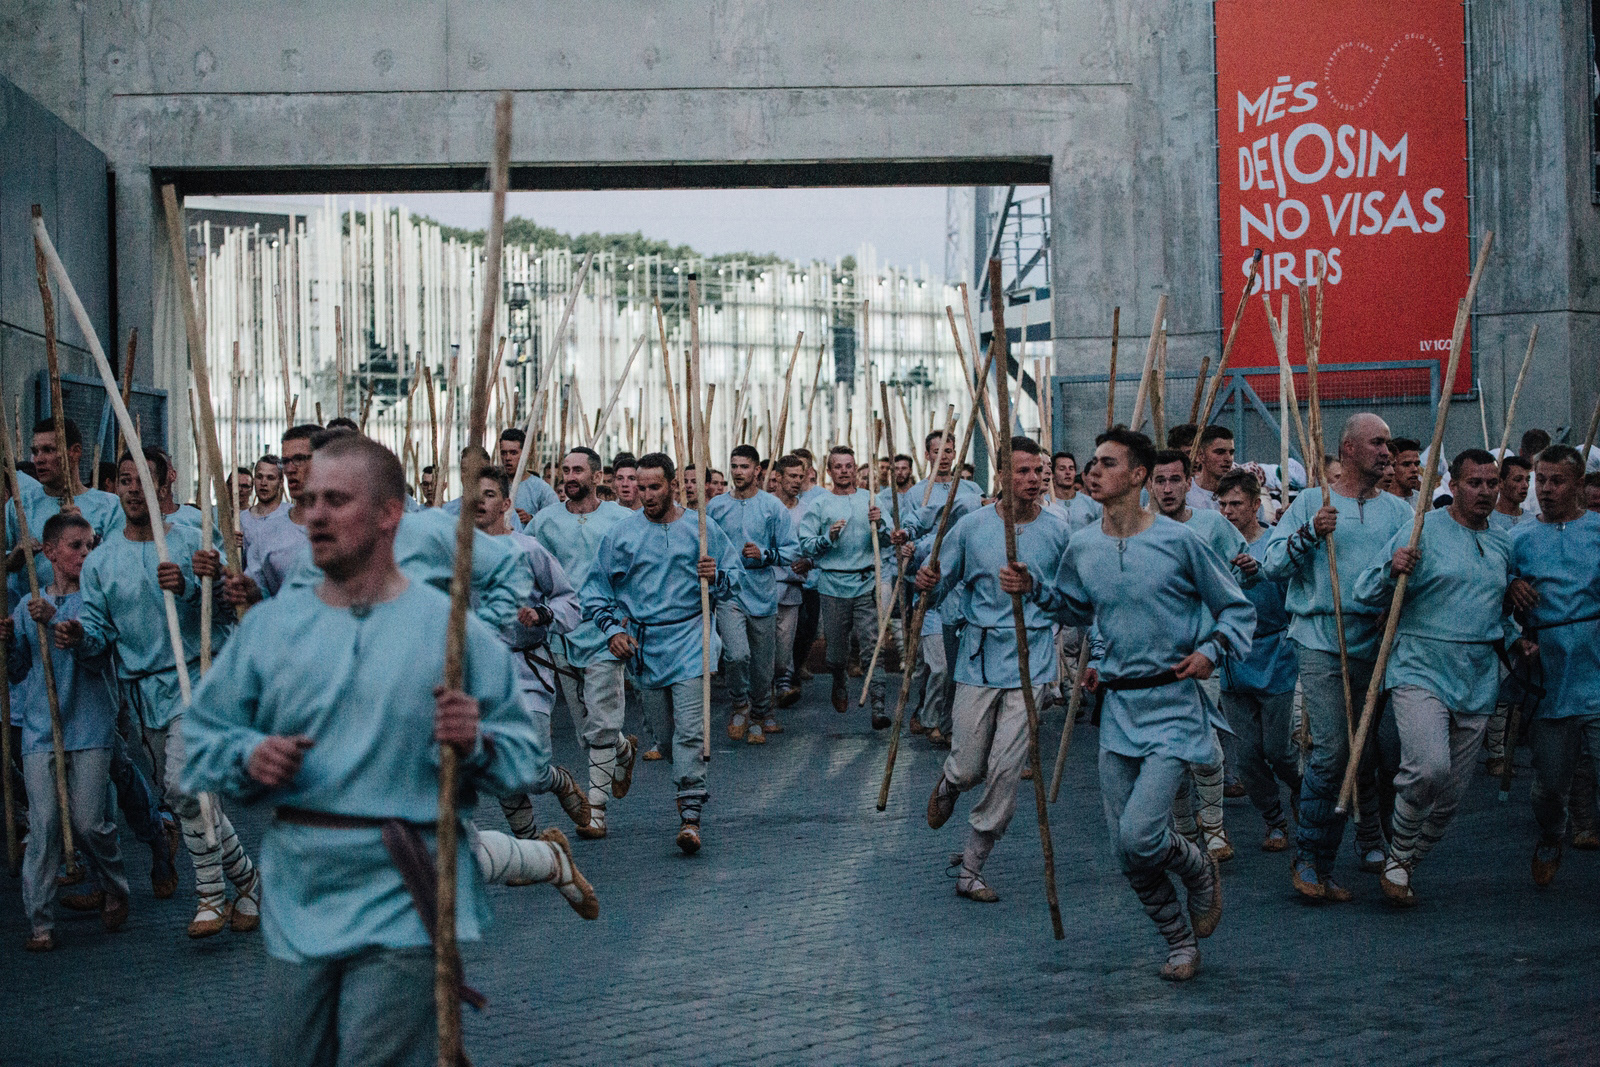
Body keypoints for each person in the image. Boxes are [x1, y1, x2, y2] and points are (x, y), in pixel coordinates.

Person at [183, 434, 590, 1067]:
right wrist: (248, 756)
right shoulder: (273, 627)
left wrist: (476, 735)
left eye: (336, 500)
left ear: (388, 512)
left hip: (403, 890)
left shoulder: (455, 634)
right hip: (300, 893)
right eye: (310, 499)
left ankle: (545, 859)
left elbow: (520, 757)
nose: (315, 514)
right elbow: (202, 740)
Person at [1019, 427, 1249, 981]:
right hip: (1117, 711)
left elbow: (1236, 608)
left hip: (1173, 704)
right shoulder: (1082, 546)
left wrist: (1212, 651)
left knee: (1140, 836)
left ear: (1138, 475)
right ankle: (1179, 943)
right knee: (1126, 851)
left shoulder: (1180, 541)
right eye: (1092, 463)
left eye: (1107, 463)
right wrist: (1031, 588)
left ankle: (1197, 868)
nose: (1092, 471)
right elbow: (1075, 608)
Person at [60, 448, 259, 938]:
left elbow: (228, 609)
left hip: (197, 679)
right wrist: (80, 638)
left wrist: (192, 585)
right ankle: (249, 882)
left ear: (163, 484)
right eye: (125, 480)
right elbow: (99, 634)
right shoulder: (101, 562)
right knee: (188, 795)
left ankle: (209, 896)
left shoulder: (192, 539)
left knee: (183, 786)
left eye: (142, 480)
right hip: (145, 693)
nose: (132, 489)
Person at [1350, 449, 1523, 905]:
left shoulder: (1504, 543)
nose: (1484, 491)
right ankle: (1397, 856)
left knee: (1449, 797)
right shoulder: (1420, 529)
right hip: (1420, 666)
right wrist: (1392, 569)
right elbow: (1363, 590)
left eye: (1491, 483)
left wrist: (1518, 634)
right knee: (1429, 767)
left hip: (1478, 675)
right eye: (1474, 483)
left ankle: (1404, 863)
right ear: (1452, 484)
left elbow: (1497, 609)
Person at [1263, 413, 1414, 901]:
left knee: (1380, 753)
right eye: (1377, 443)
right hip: (1321, 639)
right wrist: (1310, 532)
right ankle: (1311, 858)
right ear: (1348, 449)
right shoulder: (1313, 501)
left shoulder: (1401, 512)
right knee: (1333, 753)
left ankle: (1376, 841)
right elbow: (1271, 565)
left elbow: (1417, 578)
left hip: (1380, 642)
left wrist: (1398, 597)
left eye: (1388, 443)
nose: (1387, 452)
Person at [918, 437, 1070, 902]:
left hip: (1032, 660)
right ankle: (951, 781)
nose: (1033, 479)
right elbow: (939, 589)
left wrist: (1035, 588)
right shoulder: (972, 526)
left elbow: (1073, 601)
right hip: (978, 659)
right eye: (1022, 471)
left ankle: (971, 866)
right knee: (969, 767)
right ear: (1001, 475)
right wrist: (926, 581)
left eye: (1038, 471)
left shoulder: (1057, 530)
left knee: (1006, 770)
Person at [582, 453, 740, 854]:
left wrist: (716, 576)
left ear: (673, 485)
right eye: (642, 487)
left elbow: (734, 580)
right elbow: (595, 591)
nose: (647, 494)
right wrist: (613, 630)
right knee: (667, 741)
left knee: (691, 733)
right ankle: (680, 775)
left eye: (655, 487)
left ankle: (690, 816)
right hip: (645, 646)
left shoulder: (701, 528)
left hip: (692, 639)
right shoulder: (622, 535)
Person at [5, 513, 131, 950]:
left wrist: (61, 623)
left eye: (90, 545)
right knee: (43, 826)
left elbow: (96, 654)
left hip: (92, 723)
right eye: (76, 546)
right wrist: (8, 642)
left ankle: (115, 885)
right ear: (50, 552)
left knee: (89, 823)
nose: (85, 554)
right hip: (41, 729)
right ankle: (40, 922)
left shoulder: (99, 601)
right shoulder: (28, 606)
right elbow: (17, 671)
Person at [472, 466, 593, 844]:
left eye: (489, 494)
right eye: (474, 493)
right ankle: (530, 845)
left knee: (533, 770)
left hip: (527, 668)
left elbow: (568, 601)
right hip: (481, 674)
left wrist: (542, 614)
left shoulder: (529, 550)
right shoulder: (455, 554)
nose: (480, 501)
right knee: (496, 768)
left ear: (506, 503)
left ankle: (558, 781)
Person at [1149, 449, 1252, 859]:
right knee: (1167, 753)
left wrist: (1247, 572)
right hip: (1152, 660)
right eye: (1160, 480)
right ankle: (1184, 827)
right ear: (1148, 484)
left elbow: (1242, 568)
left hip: (1201, 657)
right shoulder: (1139, 530)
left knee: (1206, 748)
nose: (1168, 488)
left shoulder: (1211, 525)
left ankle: (1214, 827)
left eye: (1175, 480)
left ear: (1189, 483)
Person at [530, 448, 638, 839]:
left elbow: (638, 571)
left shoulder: (622, 520)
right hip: (562, 635)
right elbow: (525, 567)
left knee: (602, 721)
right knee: (587, 728)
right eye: (566, 470)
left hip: (606, 632)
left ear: (596, 476)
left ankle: (597, 812)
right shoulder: (544, 522)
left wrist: (628, 617)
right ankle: (622, 750)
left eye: (578, 470)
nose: (570, 476)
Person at [1505, 445, 1600, 886]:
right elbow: (1494, 597)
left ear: (1578, 484)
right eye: (1540, 480)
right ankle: (1551, 833)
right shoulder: (1518, 538)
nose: (1545, 489)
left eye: (1557, 481)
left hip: (1596, 671)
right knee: (1548, 786)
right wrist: (1511, 588)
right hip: (1548, 679)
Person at [1216, 470, 1301, 852]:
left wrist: (1260, 572)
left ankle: (1302, 789)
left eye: (1236, 503)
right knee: (1248, 757)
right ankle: (1274, 819)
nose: (1228, 511)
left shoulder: (1276, 542)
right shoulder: (1214, 546)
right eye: (1222, 504)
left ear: (1255, 504)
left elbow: (1292, 591)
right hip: (1233, 656)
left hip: (1276, 653)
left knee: (1279, 750)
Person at [706, 445, 800, 744]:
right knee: (736, 655)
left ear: (757, 470)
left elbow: (792, 550)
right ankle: (739, 704)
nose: (738, 472)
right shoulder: (716, 507)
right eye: (734, 466)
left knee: (762, 666)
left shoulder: (772, 507)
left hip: (762, 591)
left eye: (744, 466)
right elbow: (703, 545)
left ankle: (760, 714)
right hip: (728, 591)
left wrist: (765, 554)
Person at [798, 446, 893, 724]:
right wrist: (827, 537)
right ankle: (839, 678)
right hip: (833, 585)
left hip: (866, 582)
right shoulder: (820, 505)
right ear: (829, 471)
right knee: (836, 655)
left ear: (855, 469)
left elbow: (888, 540)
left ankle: (878, 704)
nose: (844, 471)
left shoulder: (871, 500)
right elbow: (806, 545)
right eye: (838, 466)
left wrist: (880, 525)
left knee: (873, 646)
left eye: (848, 466)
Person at [7, 417, 124, 600]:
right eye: (35, 452)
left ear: (75, 452)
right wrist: (13, 559)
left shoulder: (109, 507)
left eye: (48, 450)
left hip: (88, 613)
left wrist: (87, 535)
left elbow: (121, 568)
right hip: (32, 614)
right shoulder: (20, 506)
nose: (39, 459)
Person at [240, 426, 318, 599]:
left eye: (299, 459)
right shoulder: (267, 534)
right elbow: (257, 595)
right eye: (286, 461)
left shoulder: (353, 528)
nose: (290, 469)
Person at [771, 454, 813, 708]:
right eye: (792, 476)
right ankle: (766, 692)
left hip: (792, 586)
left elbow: (813, 546)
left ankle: (783, 681)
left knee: (785, 644)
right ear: (778, 477)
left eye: (800, 476)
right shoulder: (765, 506)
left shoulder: (806, 511)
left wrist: (809, 561)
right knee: (762, 643)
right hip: (763, 586)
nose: (797, 481)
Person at [1045, 451, 1101, 530]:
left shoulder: (1091, 503)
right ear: (1052, 474)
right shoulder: (1045, 504)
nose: (1068, 472)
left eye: (1071, 468)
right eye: (1062, 469)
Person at [1185, 426, 1236, 512]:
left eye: (1231, 453)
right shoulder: (1187, 494)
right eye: (1220, 452)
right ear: (1201, 455)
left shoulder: (1239, 494)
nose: (1228, 459)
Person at [1489, 455, 1532, 531]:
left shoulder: (1531, 520)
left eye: (1527, 480)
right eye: (1518, 480)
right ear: (1500, 482)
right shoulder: (1488, 519)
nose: (1525, 485)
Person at [1387, 438, 1423, 508]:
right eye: (1406, 464)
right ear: (1392, 466)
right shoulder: (1381, 502)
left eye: (1416, 464)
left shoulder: (1423, 501)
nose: (1415, 469)